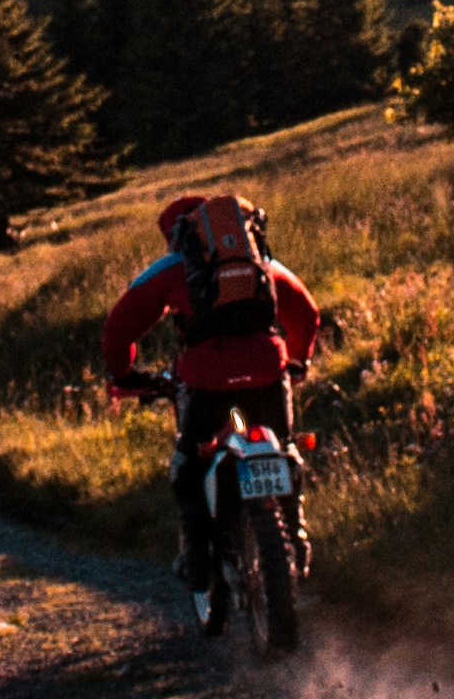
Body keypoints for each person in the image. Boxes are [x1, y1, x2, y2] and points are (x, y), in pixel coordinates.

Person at [91, 192, 325, 623]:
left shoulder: (172, 268)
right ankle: (296, 536)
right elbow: (307, 313)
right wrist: (297, 361)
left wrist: (123, 375)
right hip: (267, 374)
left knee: (189, 466)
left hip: (206, 380)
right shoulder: (257, 262)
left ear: (176, 234)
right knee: (284, 446)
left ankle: (198, 563)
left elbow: (117, 328)